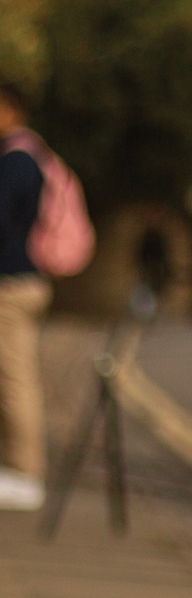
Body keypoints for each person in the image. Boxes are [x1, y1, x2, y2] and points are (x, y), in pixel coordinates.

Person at [0, 82, 51, 511]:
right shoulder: (27, 155)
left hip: (11, 284)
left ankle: (26, 472)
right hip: (22, 280)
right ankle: (17, 469)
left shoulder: (16, 159)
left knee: (15, 379)